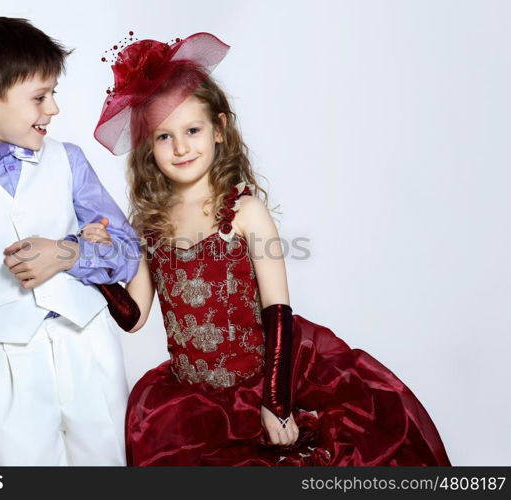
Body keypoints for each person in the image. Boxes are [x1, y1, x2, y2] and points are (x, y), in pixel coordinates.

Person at [80, 32, 451, 465]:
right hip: (191, 397)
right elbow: (134, 316)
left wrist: (275, 402)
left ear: (218, 129)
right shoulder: (150, 225)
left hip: (263, 380)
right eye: (164, 137)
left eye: (192, 130)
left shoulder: (245, 210)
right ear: (148, 147)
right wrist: (98, 268)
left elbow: (278, 311)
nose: (180, 147)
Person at [0, 17, 140, 465]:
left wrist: (68, 252)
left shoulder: (68, 161)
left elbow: (127, 250)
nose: (53, 108)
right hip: (4, 364)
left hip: (87, 345)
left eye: (53, 94)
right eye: (40, 97)